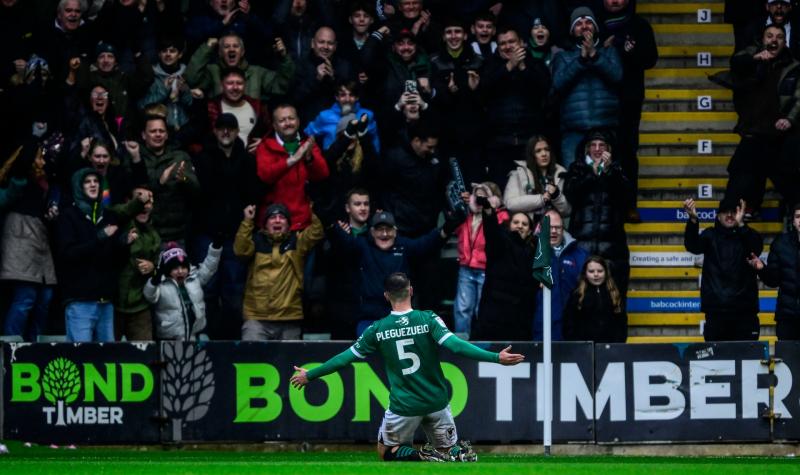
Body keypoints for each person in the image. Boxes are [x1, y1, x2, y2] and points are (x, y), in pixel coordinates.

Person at [290, 272, 525, 462]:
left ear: (385, 296)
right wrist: (496, 358)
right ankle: (452, 452)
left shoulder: (377, 329)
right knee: (449, 450)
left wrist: (311, 374)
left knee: (386, 451)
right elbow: (456, 346)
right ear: (411, 290)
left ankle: (423, 455)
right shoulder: (428, 319)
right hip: (437, 401)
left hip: (405, 406)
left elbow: (345, 358)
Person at [191, 112, 261, 340]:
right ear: (215, 130)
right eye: (221, 127)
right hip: (208, 234)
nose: (225, 132)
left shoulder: (247, 159)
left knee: (234, 291)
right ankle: (211, 339)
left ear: (236, 131)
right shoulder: (202, 158)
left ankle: (231, 342)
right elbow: (198, 194)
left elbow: (253, 193)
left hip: (235, 235)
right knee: (208, 290)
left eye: (230, 128)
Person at [723, 24, 800, 220]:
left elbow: (799, 98)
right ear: (763, 39)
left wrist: (790, 119)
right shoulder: (750, 56)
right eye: (770, 36)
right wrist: (754, 59)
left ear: (784, 41)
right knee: (738, 176)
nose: (774, 40)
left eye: (779, 37)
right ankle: (725, 224)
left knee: (787, 181)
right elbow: (736, 63)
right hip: (753, 131)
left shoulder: (793, 66)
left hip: (779, 135)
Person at [598, 0, 658, 222]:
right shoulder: (594, 23)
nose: (615, 1)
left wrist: (627, 50)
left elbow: (651, 59)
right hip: (599, 98)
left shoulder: (640, 25)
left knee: (626, 153)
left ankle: (628, 205)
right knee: (597, 151)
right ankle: (602, 206)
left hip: (629, 100)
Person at [234, 202, 324, 341]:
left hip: (289, 319)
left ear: (288, 224)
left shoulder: (297, 242)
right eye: (272, 217)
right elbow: (240, 251)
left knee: (289, 362)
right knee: (252, 359)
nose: (277, 220)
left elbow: (317, 232)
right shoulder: (256, 242)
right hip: (257, 319)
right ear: (265, 224)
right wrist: (247, 221)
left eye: (282, 217)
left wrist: (312, 211)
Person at [55, 168, 126, 342]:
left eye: (96, 181)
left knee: (107, 361)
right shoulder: (68, 216)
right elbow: (68, 254)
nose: (93, 184)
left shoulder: (109, 216)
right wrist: (100, 237)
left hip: (106, 302)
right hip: (80, 301)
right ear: (79, 186)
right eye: (87, 181)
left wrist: (124, 243)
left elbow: (115, 259)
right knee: (80, 359)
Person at [683, 197, 763, 341]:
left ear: (741, 214)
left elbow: (756, 248)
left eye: (734, 212)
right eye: (725, 212)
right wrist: (693, 220)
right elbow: (692, 246)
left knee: (747, 360)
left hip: (745, 312)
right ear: (718, 216)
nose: (730, 215)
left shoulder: (749, 235)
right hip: (716, 312)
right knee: (716, 362)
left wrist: (742, 225)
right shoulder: (709, 235)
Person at [0, 143, 58, 341]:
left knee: (46, 297)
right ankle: (11, 345)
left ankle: (33, 345)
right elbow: (7, 195)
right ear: (30, 160)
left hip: (40, 242)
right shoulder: (16, 180)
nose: (43, 161)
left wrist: (50, 212)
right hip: (20, 242)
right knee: (25, 298)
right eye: (39, 157)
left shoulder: (43, 182)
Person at [552, 7, 622, 168]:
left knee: (606, 183)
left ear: (596, 27)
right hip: (574, 131)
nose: (584, 26)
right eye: (579, 24)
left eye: (588, 22)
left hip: (605, 129)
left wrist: (595, 56)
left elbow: (617, 76)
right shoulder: (563, 57)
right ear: (572, 30)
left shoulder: (609, 52)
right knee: (574, 182)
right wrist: (581, 60)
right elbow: (558, 83)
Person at [564, 130, 632, 296]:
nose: (597, 149)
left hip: (612, 249)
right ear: (587, 149)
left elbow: (625, 197)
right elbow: (571, 193)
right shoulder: (577, 168)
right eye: (593, 145)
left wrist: (609, 171)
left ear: (609, 149)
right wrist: (592, 173)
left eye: (602, 145)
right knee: (580, 299)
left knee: (614, 300)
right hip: (582, 244)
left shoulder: (617, 170)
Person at [481, 26, 551, 188]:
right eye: (502, 43)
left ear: (522, 43)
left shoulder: (535, 64)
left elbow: (543, 90)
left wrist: (522, 67)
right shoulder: (490, 66)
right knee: (501, 192)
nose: (508, 46)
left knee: (533, 190)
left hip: (530, 141)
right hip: (499, 143)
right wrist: (509, 67)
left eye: (512, 41)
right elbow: (483, 91)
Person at [472, 197, 539, 341]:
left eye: (524, 224)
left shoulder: (534, 251)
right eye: (516, 222)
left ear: (530, 230)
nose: (520, 226)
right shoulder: (501, 242)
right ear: (509, 225)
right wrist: (489, 211)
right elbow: (492, 232)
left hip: (520, 320)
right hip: (494, 317)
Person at [255, 103, 329, 230]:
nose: (288, 123)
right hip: (273, 221)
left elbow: (323, 174)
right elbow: (265, 175)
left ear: (298, 121)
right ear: (274, 125)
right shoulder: (265, 146)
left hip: (302, 220)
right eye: (282, 120)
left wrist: (310, 159)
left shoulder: (308, 143)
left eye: (291, 118)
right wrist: (292, 160)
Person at [453, 182, 509, 338]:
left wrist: (490, 209)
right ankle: (461, 342)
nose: (479, 199)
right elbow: (453, 226)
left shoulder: (500, 216)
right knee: (462, 308)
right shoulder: (466, 215)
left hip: (486, 269)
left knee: (482, 308)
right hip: (466, 267)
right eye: (476, 195)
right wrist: (459, 204)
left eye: (484, 195)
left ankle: (481, 341)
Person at [185, 31, 294, 103]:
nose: (231, 49)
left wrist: (284, 58)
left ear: (242, 52)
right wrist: (206, 48)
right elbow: (191, 79)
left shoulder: (257, 72)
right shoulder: (212, 71)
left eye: (235, 46)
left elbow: (280, 86)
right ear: (220, 53)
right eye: (226, 47)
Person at [145, 241, 221, 341]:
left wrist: (215, 248)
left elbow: (208, 267)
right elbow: (149, 296)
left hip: (194, 335)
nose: (180, 271)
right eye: (175, 268)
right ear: (167, 270)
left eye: (184, 267)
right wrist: (154, 282)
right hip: (170, 339)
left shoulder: (195, 279)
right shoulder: (161, 285)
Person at [534, 208, 588, 341]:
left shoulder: (580, 255)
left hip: (572, 327)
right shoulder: (531, 251)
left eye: (557, 228)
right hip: (540, 324)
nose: (553, 231)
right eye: (549, 227)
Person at [115, 186, 160, 342]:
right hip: (113, 305)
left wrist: (153, 267)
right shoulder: (120, 222)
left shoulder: (155, 233)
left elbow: (162, 268)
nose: (145, 204)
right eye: (141, 199)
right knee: (107, 357)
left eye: (149, 200)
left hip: (140, 307)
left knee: (144, 355)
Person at [750, 202, 800, 339]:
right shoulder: (781, 243)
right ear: (793, 221)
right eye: (798, 216)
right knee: (787, 360)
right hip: (788, 317)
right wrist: (762, 269)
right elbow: (773, 280)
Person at [504, 135, 570, 221]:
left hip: (553, 228)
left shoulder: (561, 174)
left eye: (547, 149)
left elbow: (567, 211)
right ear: (531, 155)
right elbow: (509, 204)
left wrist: (557, 196)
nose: (544, 154)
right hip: (527, 228)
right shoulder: (518, 174)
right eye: (538, 151)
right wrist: (541, 199)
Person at [562, 255, 627, 343]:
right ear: (585, 273)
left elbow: (621, 321)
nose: (596, 274)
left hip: (609, 347)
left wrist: (617, 342)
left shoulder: (614, 293)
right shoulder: (577, 294)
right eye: (591, 271)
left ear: (606, 272)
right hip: (584, 347)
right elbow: (569, 321)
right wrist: (576, 343)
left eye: (600, 271)